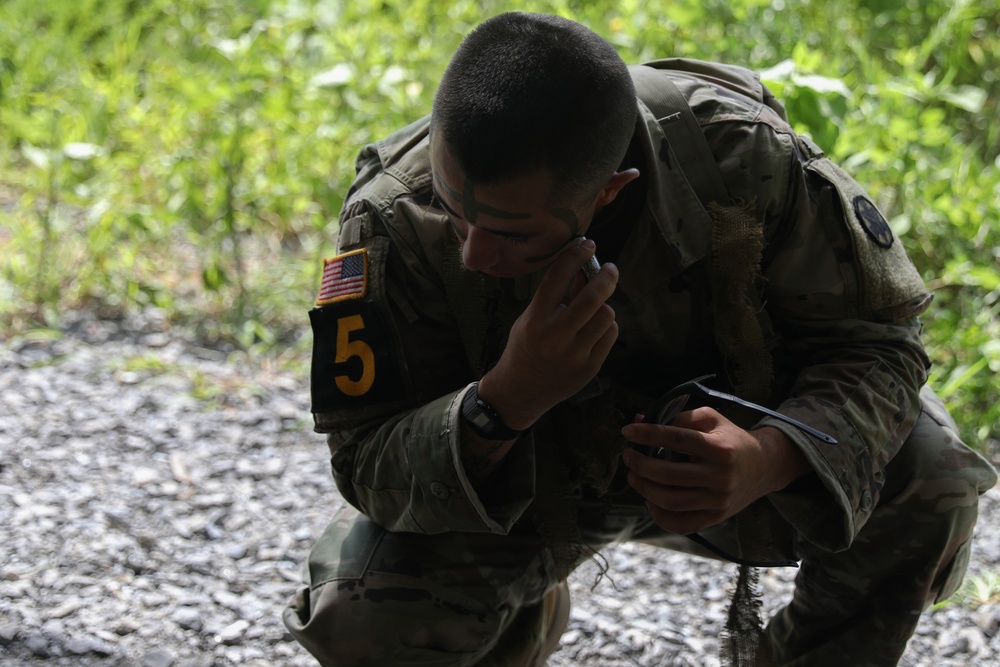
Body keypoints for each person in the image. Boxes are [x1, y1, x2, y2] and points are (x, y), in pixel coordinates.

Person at [283, 12, 997, 667]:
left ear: (610, 191)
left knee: (932, 474)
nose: (472, 253)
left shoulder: (741, 159)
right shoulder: (390, 217)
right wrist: (503, 398)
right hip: (517, 484)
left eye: (510, 233)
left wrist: (768, 457)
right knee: (361, 614)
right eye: (453, 211)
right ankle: (524, 614)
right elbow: (364, 459)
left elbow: (883, 347)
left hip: (733, 463)